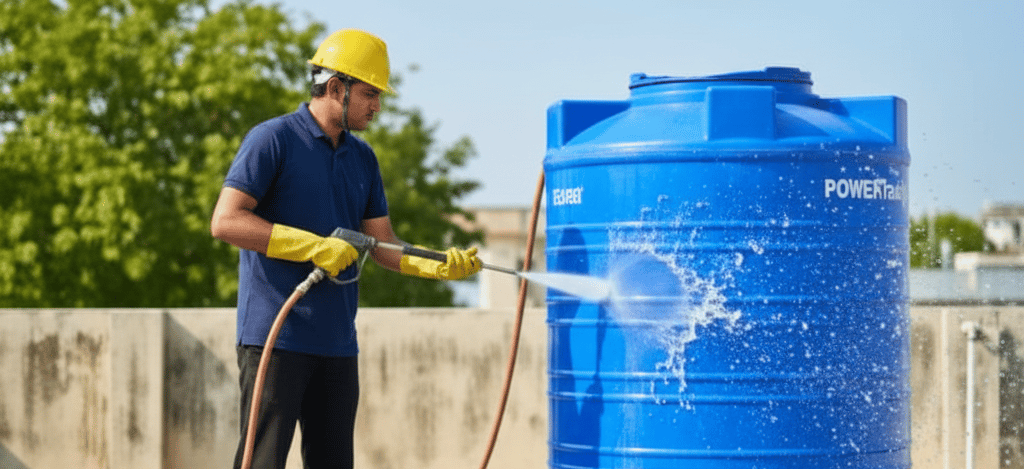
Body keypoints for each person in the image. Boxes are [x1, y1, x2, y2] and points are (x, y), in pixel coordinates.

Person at [210, 28, 482, 469]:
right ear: (337, 88)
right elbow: (225, 221)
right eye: (370, 94)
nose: (377, 107)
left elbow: (384, 245)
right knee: (261, 463)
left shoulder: (363, 159)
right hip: (274, 338)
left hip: (337, 344)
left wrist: (437, 267)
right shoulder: (273, 139)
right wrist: (311, 247)